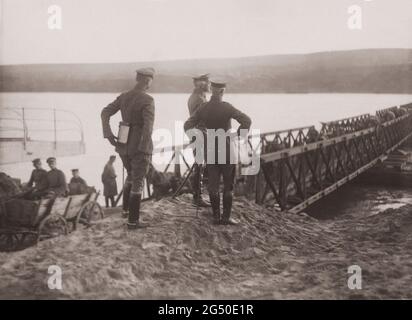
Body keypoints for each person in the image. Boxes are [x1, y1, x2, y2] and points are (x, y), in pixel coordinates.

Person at [184, 81, 251, 225]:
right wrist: (238, 135)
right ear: (222, 92)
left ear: (212, 91)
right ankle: (226, 218)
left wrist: (198, 138)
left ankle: (215, 217)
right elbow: (247, 120)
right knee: (228, 185)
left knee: (213, 185)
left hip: (211, 150)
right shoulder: (227, 107)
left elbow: (187, 125)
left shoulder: (203, 107)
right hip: (227, 149)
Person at [101, 68, 155, 230]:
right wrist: (144, 149)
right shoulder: (148, 100)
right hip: (139, 146)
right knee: (138, 181)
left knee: (130, 176)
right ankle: (133, 221)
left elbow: (105, 112)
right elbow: (148, 128)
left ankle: (125, 211)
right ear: (147, 81)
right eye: (151, 80)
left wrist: (108, 134)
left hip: (123, 144)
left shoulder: (124, 96)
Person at [187, 73, 210, 207]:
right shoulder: (199, 99)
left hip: (198, 132)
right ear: (199, 84)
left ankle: (198, 195)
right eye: (206, 82)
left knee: (199, 165)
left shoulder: (198, 97)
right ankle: (198, 197)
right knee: (199, 165)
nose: (208, 85)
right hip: (199, 133)